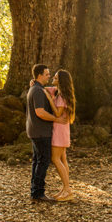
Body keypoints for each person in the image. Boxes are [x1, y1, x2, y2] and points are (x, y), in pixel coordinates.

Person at [26, 63, 57, 203]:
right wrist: (56, 119)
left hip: (35, 130)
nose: (49, 76)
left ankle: (35, 191)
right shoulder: (37, 91)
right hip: (41, 132)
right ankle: (38, 192)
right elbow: (40, 112)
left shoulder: (35, 88)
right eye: (46, 74)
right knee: (43, 161)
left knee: (37, 161)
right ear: (39, 75)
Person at [43, 69, 76, 201]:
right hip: (62, 129)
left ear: (60, 81)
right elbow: (46, 88)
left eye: (55, 77)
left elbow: (57, 113)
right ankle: (64, 188)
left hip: (59, 130)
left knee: (55, 158)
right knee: (62, 159)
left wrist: (50, 99)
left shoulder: (61, 97)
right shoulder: (60, 93)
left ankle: (67, 189)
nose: (53, 78)